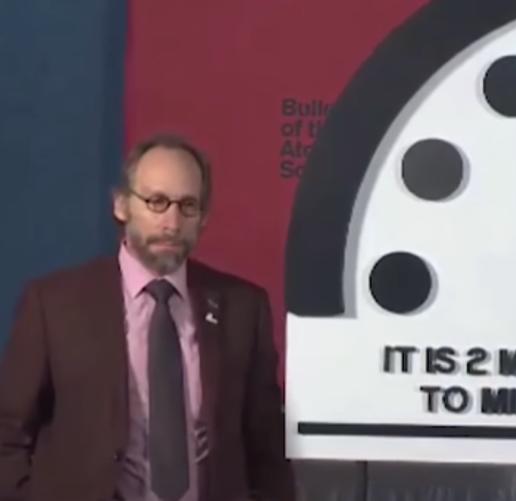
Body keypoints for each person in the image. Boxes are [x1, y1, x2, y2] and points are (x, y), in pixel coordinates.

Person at [0, 134, 296, 500]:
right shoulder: (55, 305)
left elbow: (267, 449)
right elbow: (8, 432)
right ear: (122, 205)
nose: (171, 222)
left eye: (188, 206)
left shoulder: (243, 309)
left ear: (203, 217)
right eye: (157, 202)